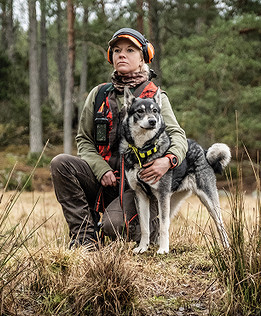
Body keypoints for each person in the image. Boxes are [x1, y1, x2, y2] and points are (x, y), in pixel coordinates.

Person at [50, 28, 188, 248]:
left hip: (139, 185)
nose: (121, 54)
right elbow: (84, 139)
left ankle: (148, 230)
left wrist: (168, 160)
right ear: (111, 57)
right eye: (116, 50)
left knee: (114, 226)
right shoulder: (98, 95)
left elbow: (177, 135)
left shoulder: (155, 96)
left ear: (143, 56)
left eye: (130, 50)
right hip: (104, 179)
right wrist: (100, 169)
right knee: (61, 164)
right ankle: (85, 239)